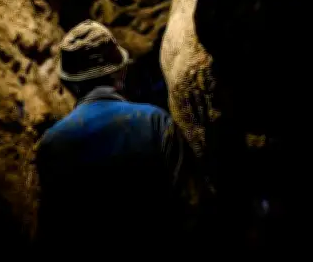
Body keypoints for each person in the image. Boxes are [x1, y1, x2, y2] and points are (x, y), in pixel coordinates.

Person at [34, 20, 200, 250]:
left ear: (68, 84)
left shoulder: (51, 144)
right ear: (121, 73)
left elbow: (51, 231)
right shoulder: (155, 122)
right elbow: (190, 208)